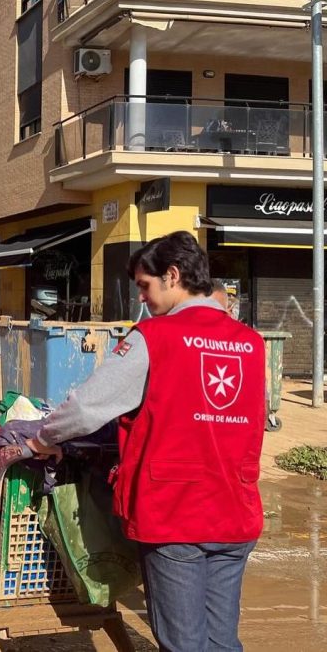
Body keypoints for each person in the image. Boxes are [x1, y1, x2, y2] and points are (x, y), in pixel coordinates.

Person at [27, 231, 265, 652]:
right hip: (235, 508)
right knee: (221, 641)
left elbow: (86, 408)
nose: (143, 299)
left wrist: (43, 438)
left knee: (182, 643)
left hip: (176, 514)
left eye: (145, 286)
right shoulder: (250, 344)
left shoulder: (154, 337)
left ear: (172, 276)